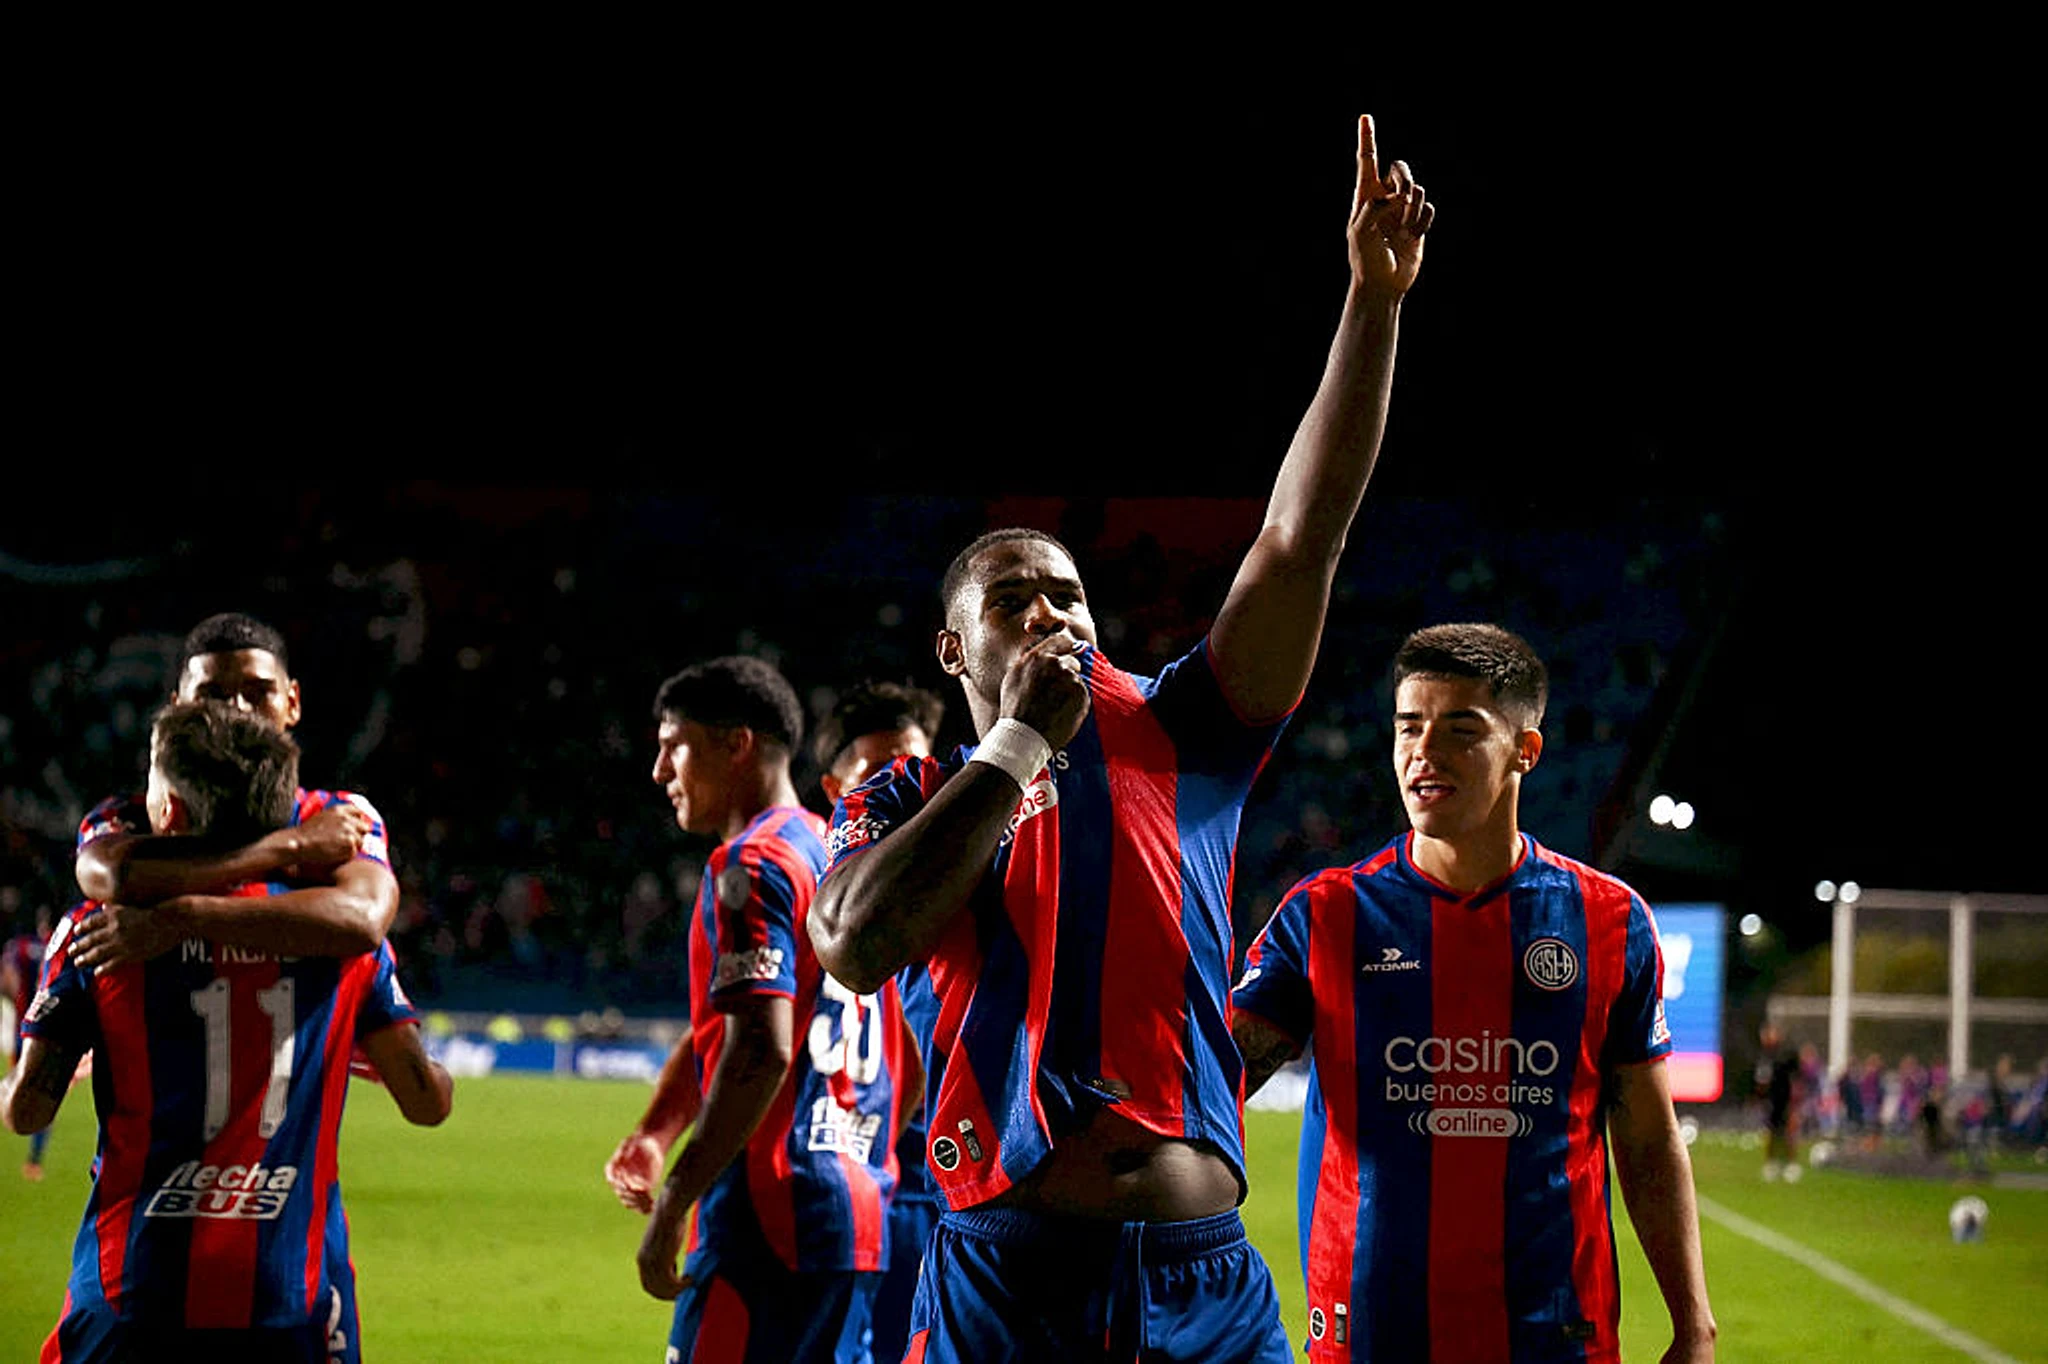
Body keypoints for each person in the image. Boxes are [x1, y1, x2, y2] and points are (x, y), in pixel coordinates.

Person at [809, 115, 1431, 1363]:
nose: (1052, 612)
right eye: (1012, 599)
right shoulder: (911, 792)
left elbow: (1298, 538)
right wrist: (1014, 751)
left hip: (1209, 1281)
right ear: (953, 653)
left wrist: (1371, 303)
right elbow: (852, 945)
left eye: (1069, 594)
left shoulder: (1185, 725)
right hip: (1008, 1282)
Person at [1231, 623, 1717, 1362]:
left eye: (1460, 731)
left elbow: (1648, 1142)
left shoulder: (1610, 921)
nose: (1424, 752)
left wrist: (1693, 1324)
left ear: (1526, 750)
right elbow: (1209, 1090)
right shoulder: (1325, 915)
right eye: (1409, 727)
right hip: (1371, 1334)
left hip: (1555, 1334)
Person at [1, 700, 452, 1363]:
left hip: (130, 1295)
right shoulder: (342, 939)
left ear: (170, 812)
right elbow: (426, 1101)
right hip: (285, 1304)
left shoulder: (99, 932)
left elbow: (28, 1110)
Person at [61, 610, 407, 1362]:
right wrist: (286, 851)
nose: (238, 710)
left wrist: (183, 914)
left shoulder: (340, 817)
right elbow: (105, 874)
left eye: (256, 691)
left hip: (285, 1255)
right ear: (177, 710)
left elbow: (363, 918)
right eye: (214, 695)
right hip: (152, 1247)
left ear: (293, 702)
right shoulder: (132, 819)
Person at [607, 657, 910, 1363]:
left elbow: (758, 1050)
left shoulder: (752, 864)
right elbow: (907, 1052)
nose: (659, 770)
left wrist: (676, 1199)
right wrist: (656, 1133)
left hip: (769, 1220)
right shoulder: (842, 857)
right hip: (858, 1214)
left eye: (674, 746)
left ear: (736, 744)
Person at [812, 680, 945, 1364]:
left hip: (933, 1187)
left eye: (912, 765)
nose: (900, 783)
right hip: (853, 1184)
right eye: (876, 772)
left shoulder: (960, 877)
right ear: (835, 789)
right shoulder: (821, 895)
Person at [2, 903, 56, 1179]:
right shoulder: (62, 946)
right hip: (49, 1033)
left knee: (17, 1085)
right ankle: (34, 1161)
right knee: (42, 1096)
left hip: (21, 1027)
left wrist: (17, 1002)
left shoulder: (19, 947)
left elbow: (7, 982)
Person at [1755, 1022, 1801, 1180]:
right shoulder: (1764, 1057)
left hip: (1786, 1099)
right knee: (1771, 1133)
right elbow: (1761, 1081)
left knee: (1789, 1132)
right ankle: (1771, 1163)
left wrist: (1795, 1099)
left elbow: (1796, 1077)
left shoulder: (1787, 1054)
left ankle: (1791, 1164)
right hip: (1771, 1101)